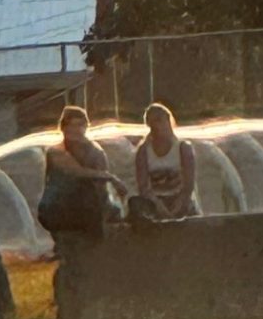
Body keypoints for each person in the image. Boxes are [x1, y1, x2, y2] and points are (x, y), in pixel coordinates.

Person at [37, 106, 128, 243]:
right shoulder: (55, 151)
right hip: (59, 206)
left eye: (80, 125)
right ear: (63, 128)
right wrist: (111, 178)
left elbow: (101, 189)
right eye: (71, 125)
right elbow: (75, 171)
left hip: (89, 208)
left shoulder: (96, 152)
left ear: (86, 127)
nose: (76, 130)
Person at [130, 102, 199, 222]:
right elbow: (143, 187)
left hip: (180, 200)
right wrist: (159, 206)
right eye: (152, 123)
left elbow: (189, 185)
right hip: (155, 202)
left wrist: (178, 206)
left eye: (158, 121)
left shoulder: (183, 148)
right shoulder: (143, 151)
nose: (156, 127)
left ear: (168, 121)